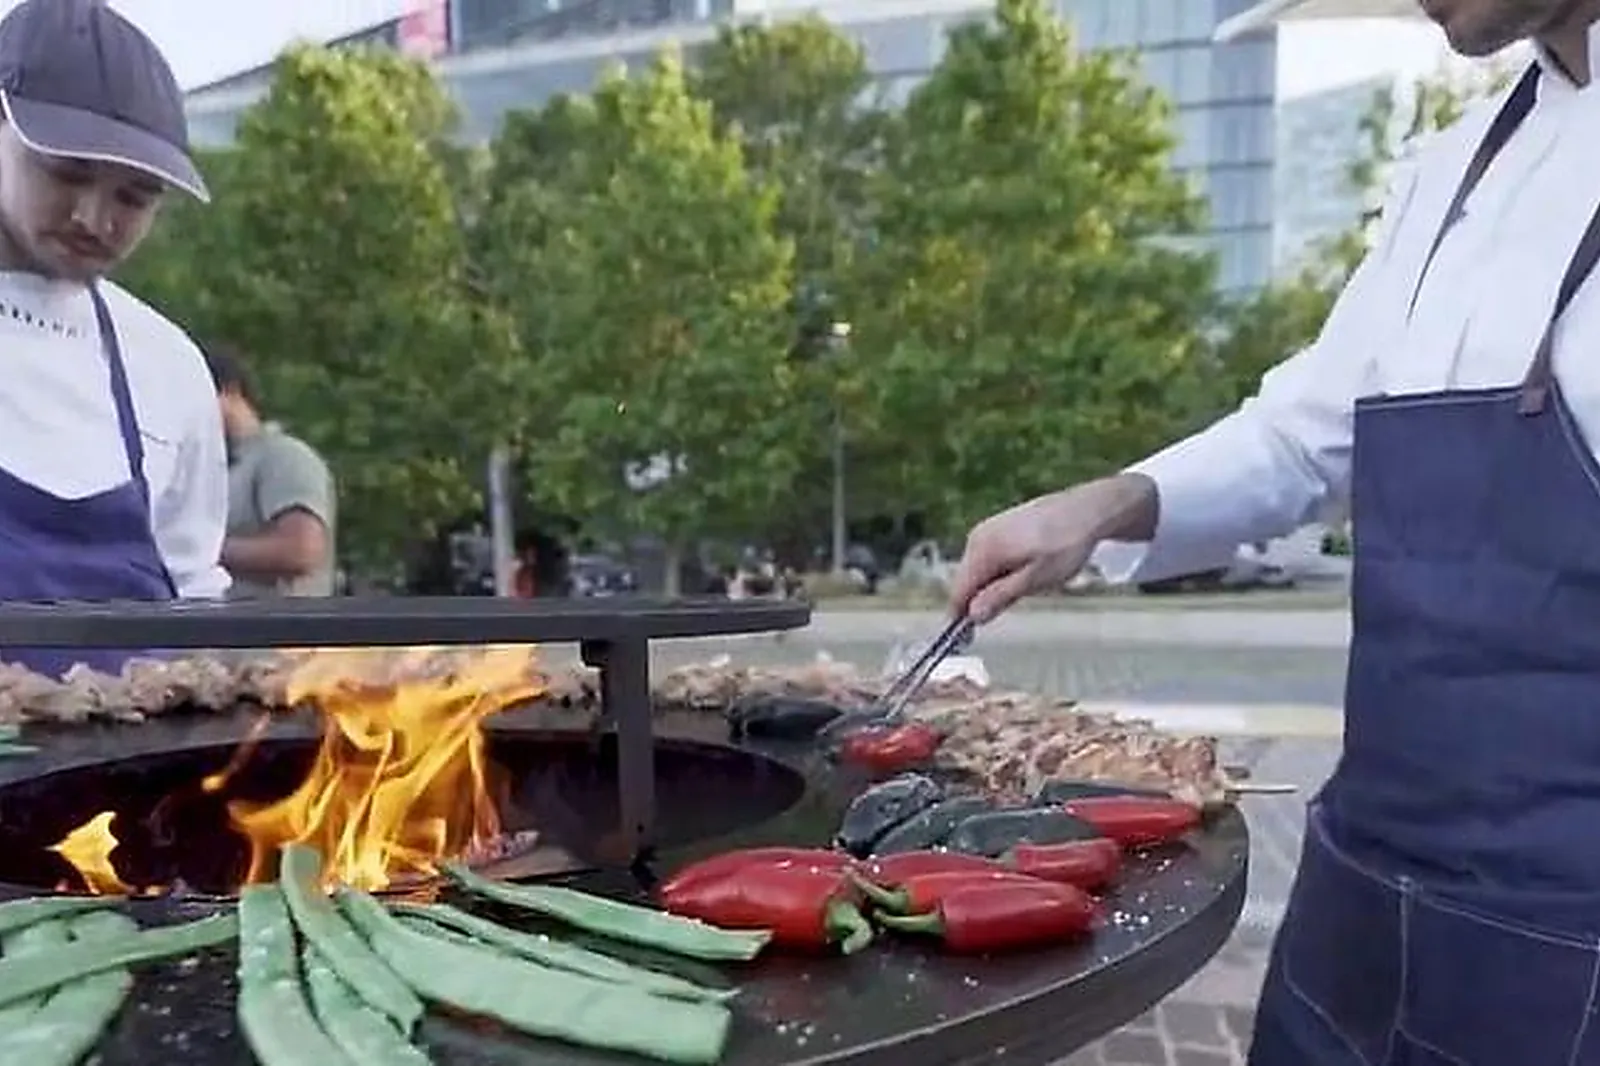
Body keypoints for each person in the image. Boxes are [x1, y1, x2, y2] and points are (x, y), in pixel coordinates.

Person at [950, 3, 1600, 1063]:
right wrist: (1104, 504)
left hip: (1570, 927)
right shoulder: (1450, 167)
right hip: (1359, 879)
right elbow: (1307, 435)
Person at [0, 0, 227, 677]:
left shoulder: (168, 366)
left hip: (138, 746)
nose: (93, 218)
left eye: (135, 196)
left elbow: (196, 595)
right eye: (67, 172)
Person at [203, 344, 337, 598]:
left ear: (230, 390)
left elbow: (300, 551)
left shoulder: (284, 456)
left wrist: (197, 549)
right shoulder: (220, 467)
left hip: (279, 621)